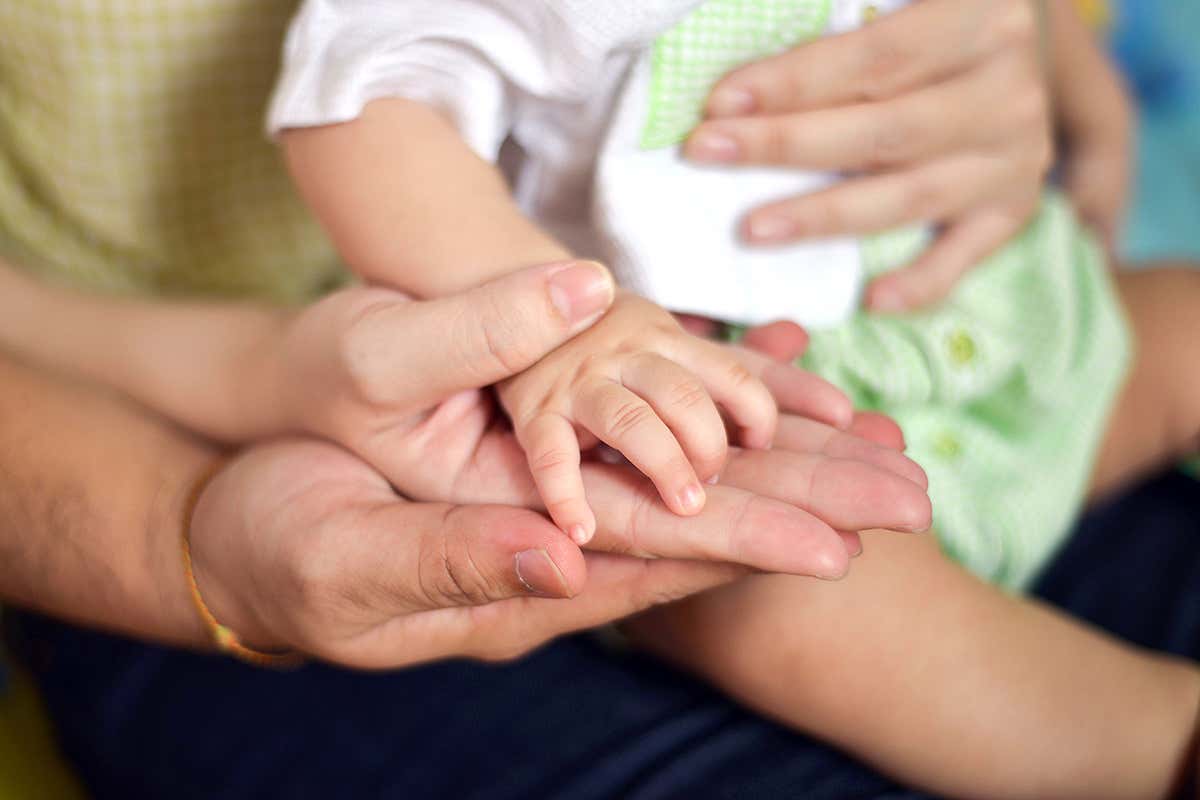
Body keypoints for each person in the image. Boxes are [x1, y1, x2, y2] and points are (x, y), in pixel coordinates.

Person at [0, 1, 1195, 798]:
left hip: (1001, 331)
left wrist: (1038, 42)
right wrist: (563, 327)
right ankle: (1151, 739)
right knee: (779, 586)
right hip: (758, 405)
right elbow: (363, 105)